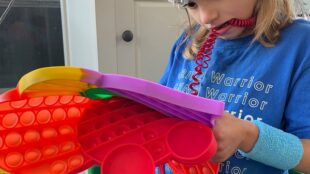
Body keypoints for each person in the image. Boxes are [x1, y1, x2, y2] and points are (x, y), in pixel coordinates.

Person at [159, 0, 310, 173]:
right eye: (191, 4)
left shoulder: (301, 44)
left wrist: (248, 136)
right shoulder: (187, 42)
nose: (206, 17)